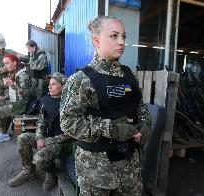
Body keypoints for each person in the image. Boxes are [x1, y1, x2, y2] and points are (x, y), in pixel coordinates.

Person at [60, 16, 152, 195]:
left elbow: (140, 107)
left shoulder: (129, 75)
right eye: (114, 36)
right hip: (96, 172)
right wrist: (110, 128)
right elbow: (68, 123)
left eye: (124, 37)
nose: (121, 42)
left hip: (130, 167)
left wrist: (146, 126)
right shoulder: (81, 80)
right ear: (96, 40)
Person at [9, 72, 73, 191]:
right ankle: (27, 170)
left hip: (63, 142)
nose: (49, 86)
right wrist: (39, 137)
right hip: (47, 138)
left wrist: (46, 141)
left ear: (64, 86)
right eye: (49, 84)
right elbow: (41, 122)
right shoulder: (46, 99)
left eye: (54, 84)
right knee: (22, 138)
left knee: (39, 159)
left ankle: (50, 172)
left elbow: (71, 134)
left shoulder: (70, 104)